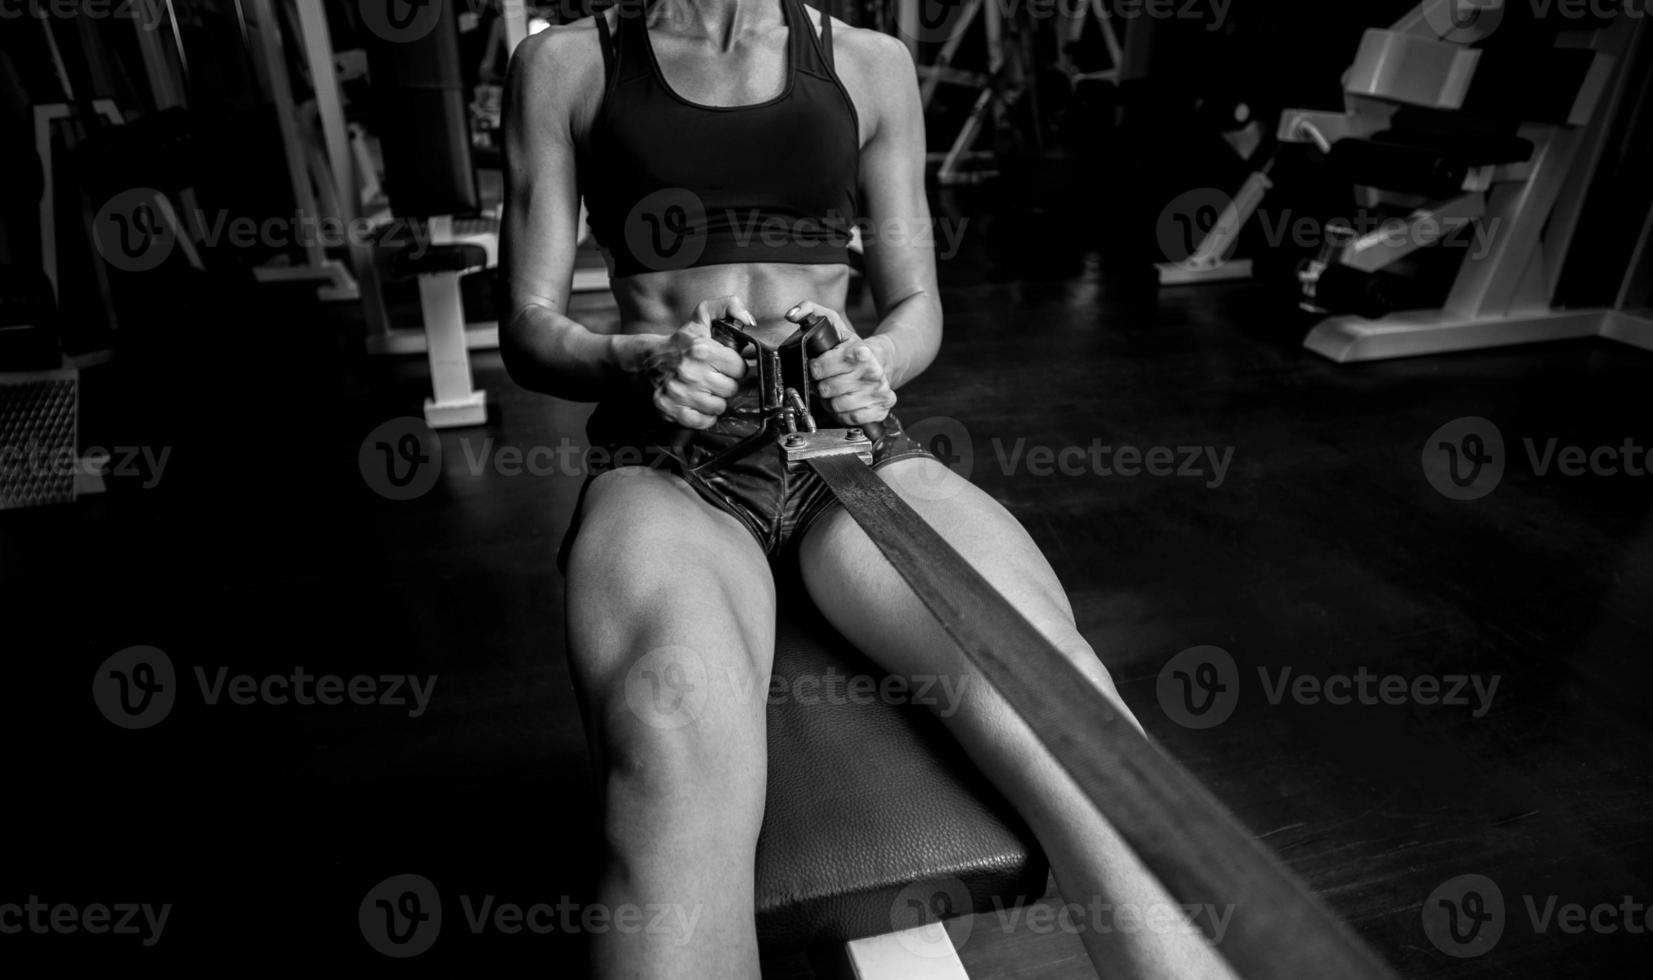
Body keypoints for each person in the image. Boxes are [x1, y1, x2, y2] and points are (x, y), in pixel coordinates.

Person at [500, 2, 1236, 977]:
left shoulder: (871, 62)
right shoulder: (564, 63)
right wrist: (639, 359)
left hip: (847, 444)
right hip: (670, 453)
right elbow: (528, 325)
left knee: (1048, 680)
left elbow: (916, 304)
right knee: (667, 726)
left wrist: (875, 358)